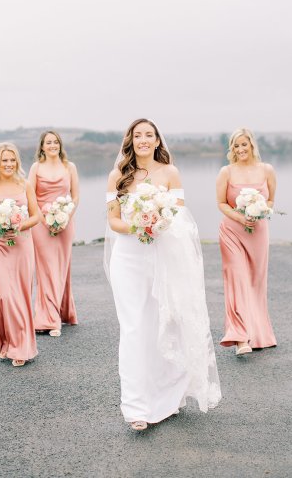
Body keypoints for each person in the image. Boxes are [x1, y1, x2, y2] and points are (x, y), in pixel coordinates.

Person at [105, 118, 221, 431]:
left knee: (163, 325)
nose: (143, 140)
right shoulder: (118, 175)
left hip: (162, 258)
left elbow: (179, 214)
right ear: (130, 139)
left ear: (157, 141)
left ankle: (168, 398)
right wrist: (138, 226)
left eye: (149, 135)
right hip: (128, 259)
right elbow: (113, 221)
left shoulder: (170, 173)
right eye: (138, 135)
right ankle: (136, 408)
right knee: (133, 329)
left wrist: (157, 221)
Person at [216, 127, 277, 356]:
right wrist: (241, 217)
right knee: (237, 280)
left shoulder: (267, 170)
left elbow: (270, 200)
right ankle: (240, 338)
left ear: (252, 145)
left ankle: (260, 334)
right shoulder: (226, 172)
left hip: (258, 232)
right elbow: (221, 203)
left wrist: (259, 211)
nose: (241, 149)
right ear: (232, 149)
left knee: (255, 282)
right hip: (232, 232)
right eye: (236, 145)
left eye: (244, 144)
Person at [0, 142, 39, 367]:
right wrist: (1, 227)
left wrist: (18, 225)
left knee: (19, 295)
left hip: (22, 245)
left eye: (12, 160)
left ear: (17, 162)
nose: (9, 164)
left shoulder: (25, 185)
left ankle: (20, 346)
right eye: (5, 160)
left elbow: (36, 216)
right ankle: (3, 340)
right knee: (3, 294)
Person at [28, 130, 79, 337]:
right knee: (47, 269)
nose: (52, 145)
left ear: (60, 145)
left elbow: (75, 197)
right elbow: (30, 197)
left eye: (55, 142)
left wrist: (65, 216)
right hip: (41, 223)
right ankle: (49, 320)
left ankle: (63, 312)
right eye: (48, 142)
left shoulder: (70, 167)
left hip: (65, 222)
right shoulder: (36, 167)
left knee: (62, 268)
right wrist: (43, 218)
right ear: (42, 146)